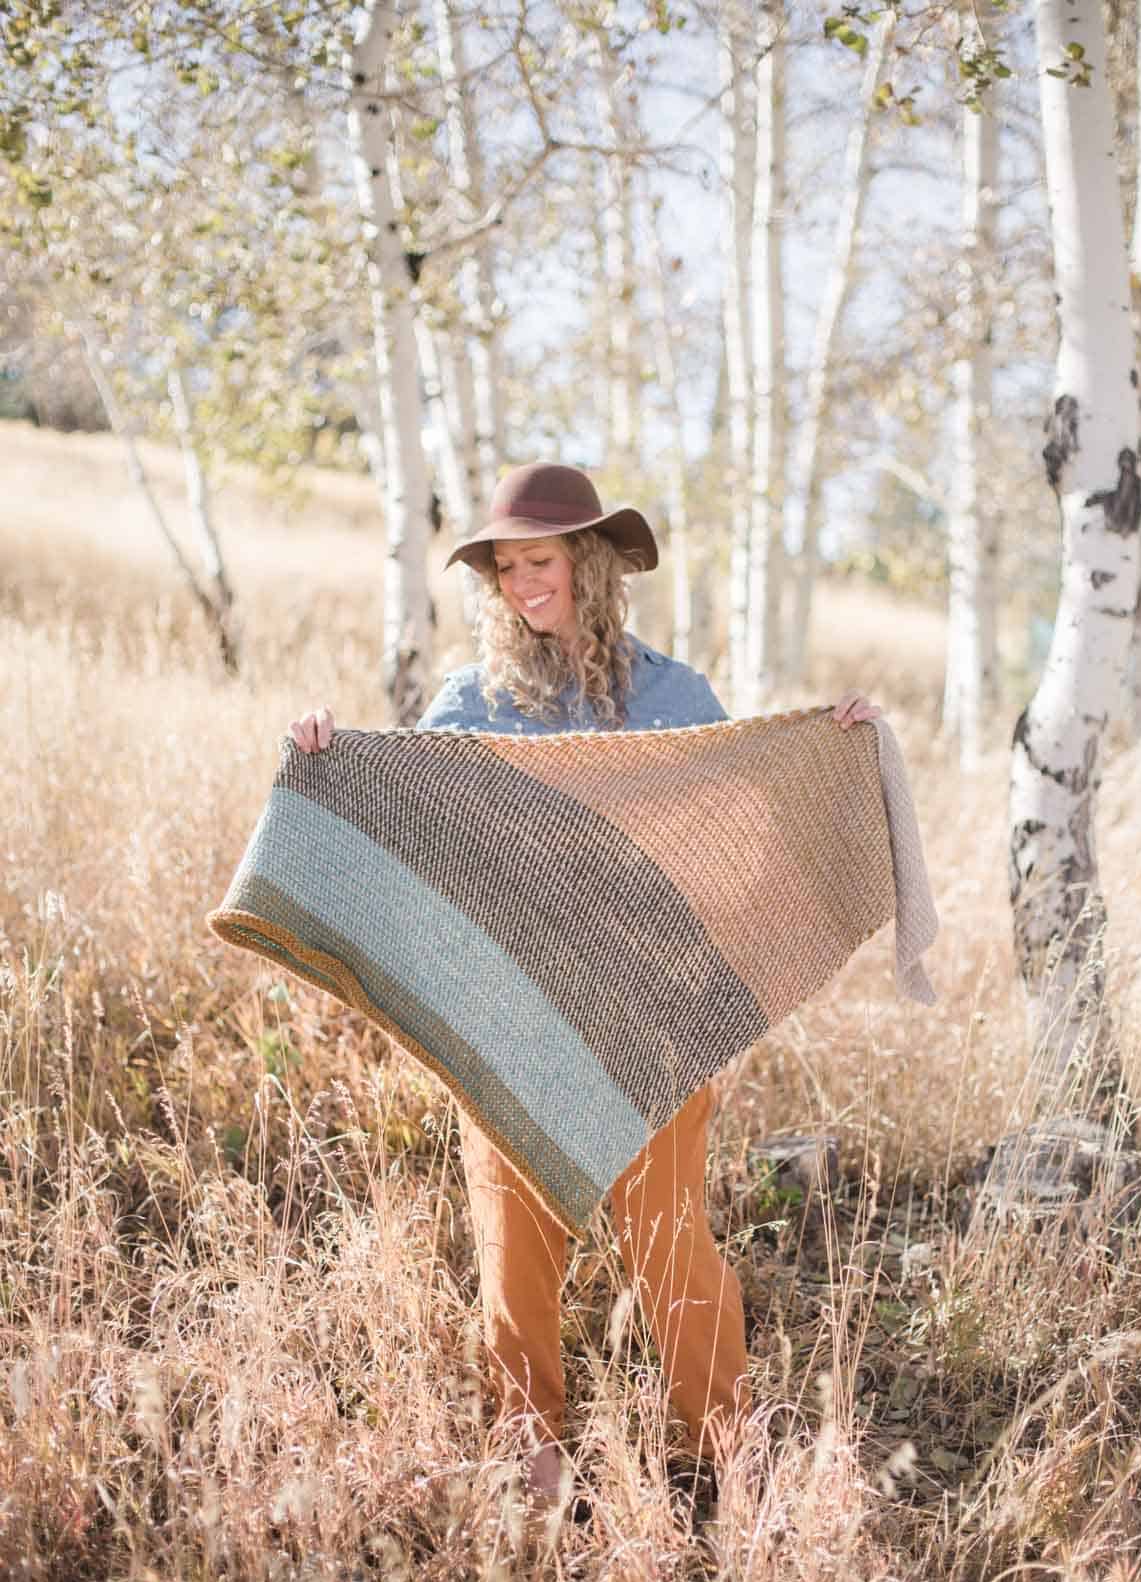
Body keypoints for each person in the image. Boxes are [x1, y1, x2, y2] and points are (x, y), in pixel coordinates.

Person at [290, 462, 881, 1506]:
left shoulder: (675, 698)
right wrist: (331, 757)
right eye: (507, 568)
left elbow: (742, 835)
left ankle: (730, 1452)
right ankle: (534, 1458)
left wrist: (826, 749)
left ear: (592, 564)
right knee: (513, 1243)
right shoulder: (475, 701)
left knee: (671, 1247)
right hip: (509, 1013)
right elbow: (417, 821)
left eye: (542, 562)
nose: (523, 584)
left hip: (652, 1017)